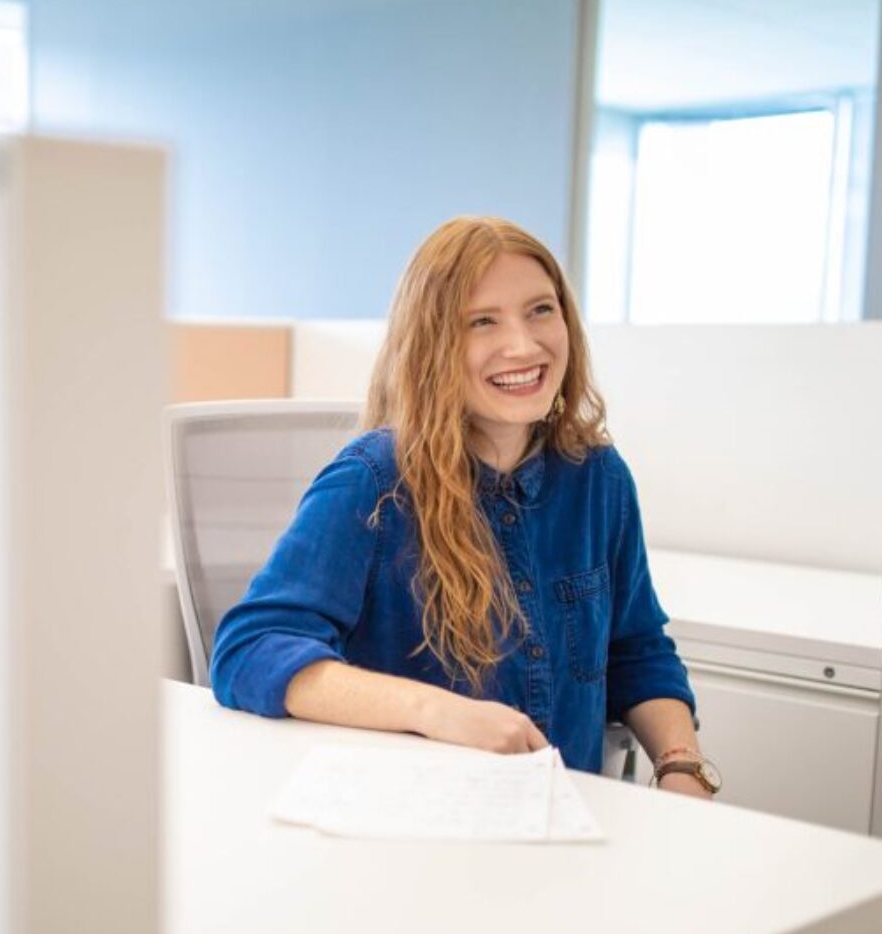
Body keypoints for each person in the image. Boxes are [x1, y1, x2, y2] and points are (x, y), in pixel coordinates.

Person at [209, 216, 718, 798]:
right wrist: (434, 711)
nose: (524, 345)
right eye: (482, 322)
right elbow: (249, 651)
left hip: (566, 818)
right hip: (412, 821)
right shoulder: (373, 482)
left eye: (541, 311)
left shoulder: (596, 477)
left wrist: (682, 765)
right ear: (433, 345)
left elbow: (636, 649)